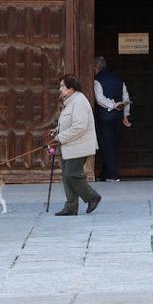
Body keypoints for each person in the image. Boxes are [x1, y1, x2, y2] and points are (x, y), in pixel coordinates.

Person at [50, 74, 102, 216]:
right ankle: (71, 207)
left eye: (62, 86)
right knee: (67, 176)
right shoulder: (71, 101)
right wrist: (57, 131)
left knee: (71, 174)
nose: (60, 89)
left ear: (71, 88)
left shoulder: (79, 101)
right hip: (70, 146)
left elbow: (80, 127)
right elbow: (69, 123)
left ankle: (92, 197)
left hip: (79, 146)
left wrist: (60, 137)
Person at [93, 56, 132, 182]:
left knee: (107, 146)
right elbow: (126, 97)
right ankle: (104, 174)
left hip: (105, 118)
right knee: (112, 145)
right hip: (118, 117)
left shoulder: (97, 80)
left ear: (95, 68)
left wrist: (112, 105)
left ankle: (112, 175)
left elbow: (99, 99)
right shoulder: (118, 79)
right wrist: (125, 114)